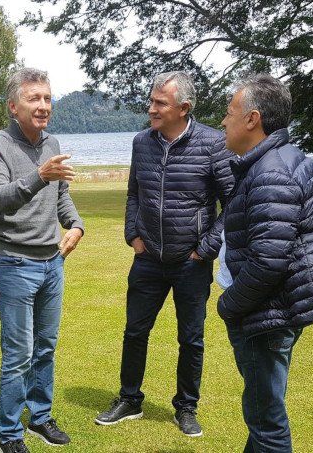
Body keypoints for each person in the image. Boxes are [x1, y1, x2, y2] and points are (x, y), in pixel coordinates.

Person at [95, 71, 235, 437]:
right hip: (148, 259)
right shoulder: (142, 142)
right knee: (134, 332)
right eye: (151, 101)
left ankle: (186, 407)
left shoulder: (213, 143)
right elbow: (134, 193)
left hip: (191, 263)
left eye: (160, 103)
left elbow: (233, 202)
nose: (151, 109)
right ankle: (129, 399)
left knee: (191, 338)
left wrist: (205, 249)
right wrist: (133, 235)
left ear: (183, 108)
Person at [217, 74, 313, 452]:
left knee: (267, 422)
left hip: (266, 313)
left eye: (230, 112)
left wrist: (229, 304)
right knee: (264, 410)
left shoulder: (271, 173)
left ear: (252, 119)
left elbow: (269, 261)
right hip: (276, 308)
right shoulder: (280, 163)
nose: (223, 121)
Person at [0, 68, 84, 453]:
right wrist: (40, 176)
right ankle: (9, 433)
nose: (43, 106)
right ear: (13, 106)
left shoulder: (51, 142)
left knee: (46, 346)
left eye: (47, 98)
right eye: (34, 98)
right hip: (12, 262)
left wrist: (76, 225)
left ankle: (40, 417)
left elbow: (61, 197)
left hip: (51, 263)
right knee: (18, 354)